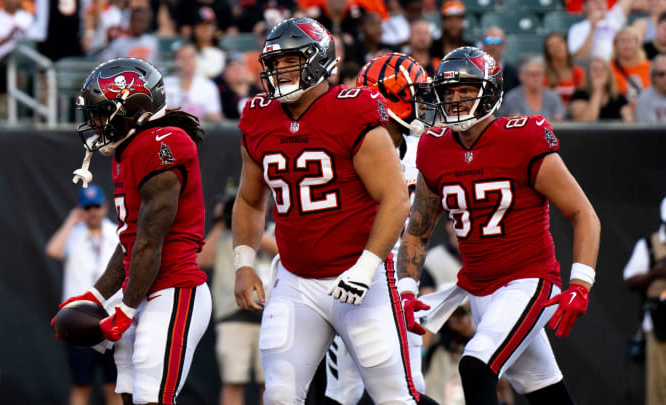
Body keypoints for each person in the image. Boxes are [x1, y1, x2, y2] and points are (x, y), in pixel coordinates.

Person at [233, 17, 437, 405]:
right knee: (278, 395)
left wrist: (364, 268)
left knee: (394, 396)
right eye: (274, 64)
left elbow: (395, 197)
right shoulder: (259, 116)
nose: (279, 72)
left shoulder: (352, 109)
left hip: (361, 278)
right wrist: (244, 262)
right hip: (296, 281)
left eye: (289, 62)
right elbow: (248, 199)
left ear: (318, 61)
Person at [400, 46, 601, 405]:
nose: (456, 99)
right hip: (478, 289)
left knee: (476, 366)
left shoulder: (523, 137)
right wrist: (406, 288)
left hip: (529, 281)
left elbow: (583, 213)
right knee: (544, 388)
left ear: (490, 91)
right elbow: (417, 229)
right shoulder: (433, 148)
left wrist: (581, 283)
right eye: (449, 91)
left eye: (466, 90)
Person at [55, 57, 211, 405]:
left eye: (101, 112)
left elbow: (150, 243)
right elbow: (130, 241)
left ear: (132, 109)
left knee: (150, 398)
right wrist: (95, 296)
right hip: (142, 287)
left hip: (173, 287)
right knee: (127, 395)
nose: (94, 123)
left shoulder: (160, 143)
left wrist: (125, 307)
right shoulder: (129, 150)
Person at [323, 52, 432, 405]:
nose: (422, 104)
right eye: (414, 94)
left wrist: (410, 283)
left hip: (396, 286)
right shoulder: (345, 148)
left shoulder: (423, 150)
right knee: (342, 393)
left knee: (408, 389)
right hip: (352, 282)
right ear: (392, 99)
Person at [197, 186, 277, 405]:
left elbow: (281, 252)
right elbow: (202, 259)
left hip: (270, 315)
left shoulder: (272, 230)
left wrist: (248, 229)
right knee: (233, 380)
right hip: (233, 314)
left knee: (271, 383)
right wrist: (223, 222)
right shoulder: (223, 234)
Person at [45, 184, 121, 405]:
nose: (93, 211)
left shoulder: (116, 234)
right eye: (87, 207)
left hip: (111, 319)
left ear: (105, 206)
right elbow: (53, 250)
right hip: (78, 322)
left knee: (114, 386)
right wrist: (71, 221)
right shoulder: (73, 235)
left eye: (96, 206)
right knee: (80, 384)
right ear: (80, 210)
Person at [623, 196, 666, 405]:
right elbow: (630, 279)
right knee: (659, 385)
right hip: (660, 323)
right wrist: (655, 273)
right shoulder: (649, 245)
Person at [163, 43, 223, 122]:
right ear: (175, 61)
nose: (187, 61)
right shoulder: (164, 84)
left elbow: (215, 117)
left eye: (191, 57)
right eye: (182, 57)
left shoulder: (208, 86)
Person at [498, 55, 564, 121]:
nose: (536, 78)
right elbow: (516, 124)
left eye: (539, 74)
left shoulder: (553, 97)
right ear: (521, 76)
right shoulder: (512, 98)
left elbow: (559, 122)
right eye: (532, 74)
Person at [569, 56, 632, 121]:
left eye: (603, 69)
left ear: (609, 74)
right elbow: (587, 122)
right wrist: (597, 92)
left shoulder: (619, 98)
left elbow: (629, 125)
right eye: (595, 69)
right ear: (588, 74)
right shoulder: (579, 95)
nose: (599, 72)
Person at [567, 0, 633, 62]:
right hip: (595, 69)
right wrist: (592, 28)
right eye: (594, 1)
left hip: (618, 64)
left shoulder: (613, 17)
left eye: (603, 1)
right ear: (584, 6)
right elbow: (580, 58)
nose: (599, 3)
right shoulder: (578, 28)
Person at [611, 26, 651, 103]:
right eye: (622, 41)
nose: (626, 44)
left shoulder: (651, 67)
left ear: (638, 44)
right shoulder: (607, 68)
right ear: (615, 45)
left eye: (630, 40)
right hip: (618, 111)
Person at [543, 33, 584, 105]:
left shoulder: (578, 72)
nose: (556, 47)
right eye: (551, 45)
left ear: (567, 45)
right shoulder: (544, 74)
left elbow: (583, 98)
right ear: (547, 51)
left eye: (560, 43)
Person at [480, 27, 519, 94]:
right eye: (488, 41)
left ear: (503, 46)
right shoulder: (472, 70)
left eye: (497, 41)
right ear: (482, 45)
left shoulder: (513, 75)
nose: (492, 46)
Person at [635, 54, 666, 121]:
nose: (665, 78)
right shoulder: (644, 100)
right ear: (653, 77)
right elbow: (649, 129)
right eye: (661, 74)